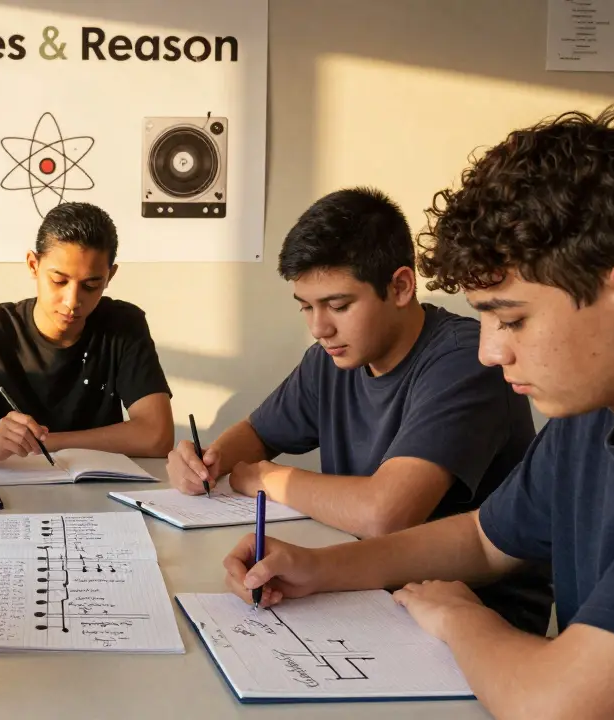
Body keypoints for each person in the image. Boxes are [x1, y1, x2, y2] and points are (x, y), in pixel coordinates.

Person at [224, 107, 614, 717]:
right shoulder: (590, 415)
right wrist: (317, 567)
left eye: (512, 318)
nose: (491, 350)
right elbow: (482, 537)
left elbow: (563, 708)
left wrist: (462, 617)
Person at [167, 186, 551, 633]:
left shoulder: (465, 361)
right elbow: (258, 432)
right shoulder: (333, 358)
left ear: (401, 286)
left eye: (339, 305)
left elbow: (385, 514)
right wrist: (206, 461)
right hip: (370, 589)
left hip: (475, 614)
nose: (319, 327)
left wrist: (264, 478)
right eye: (306, 307)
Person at [0, 201, 174, 462]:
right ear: (33, 265)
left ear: (110, 276)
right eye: (59, 281)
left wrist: (48, 442)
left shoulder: (124, 325)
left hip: (100, 488)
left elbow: (157, 436)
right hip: (12, 489)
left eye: (91, 285)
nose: (72, 300)